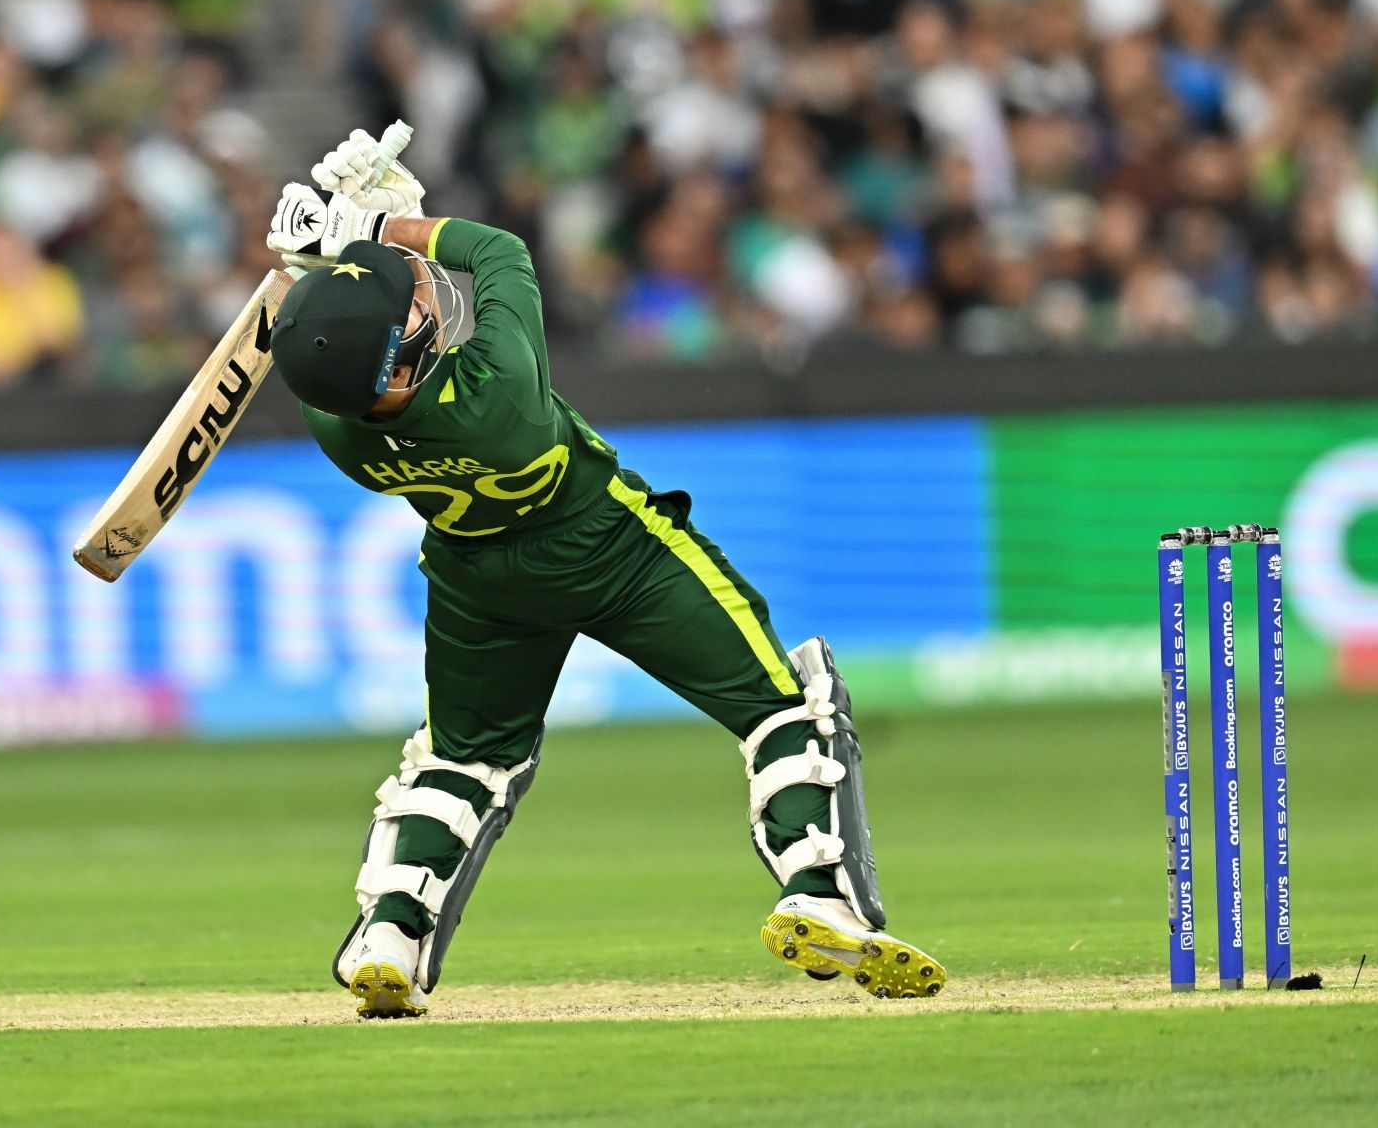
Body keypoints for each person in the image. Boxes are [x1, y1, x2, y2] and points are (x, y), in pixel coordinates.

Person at [262, 131, 946, 1018]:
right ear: (407, 349)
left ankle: (389, 932)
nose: (426, 301)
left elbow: (315, 337)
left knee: (466, 761)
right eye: (413, 310)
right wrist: (390, 228)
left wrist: (317, 264)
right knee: (784, 700)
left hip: (478, 582)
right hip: (608, 545)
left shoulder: (338, 425)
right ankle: (820, 890)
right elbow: (492, 253)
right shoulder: (499, 387)